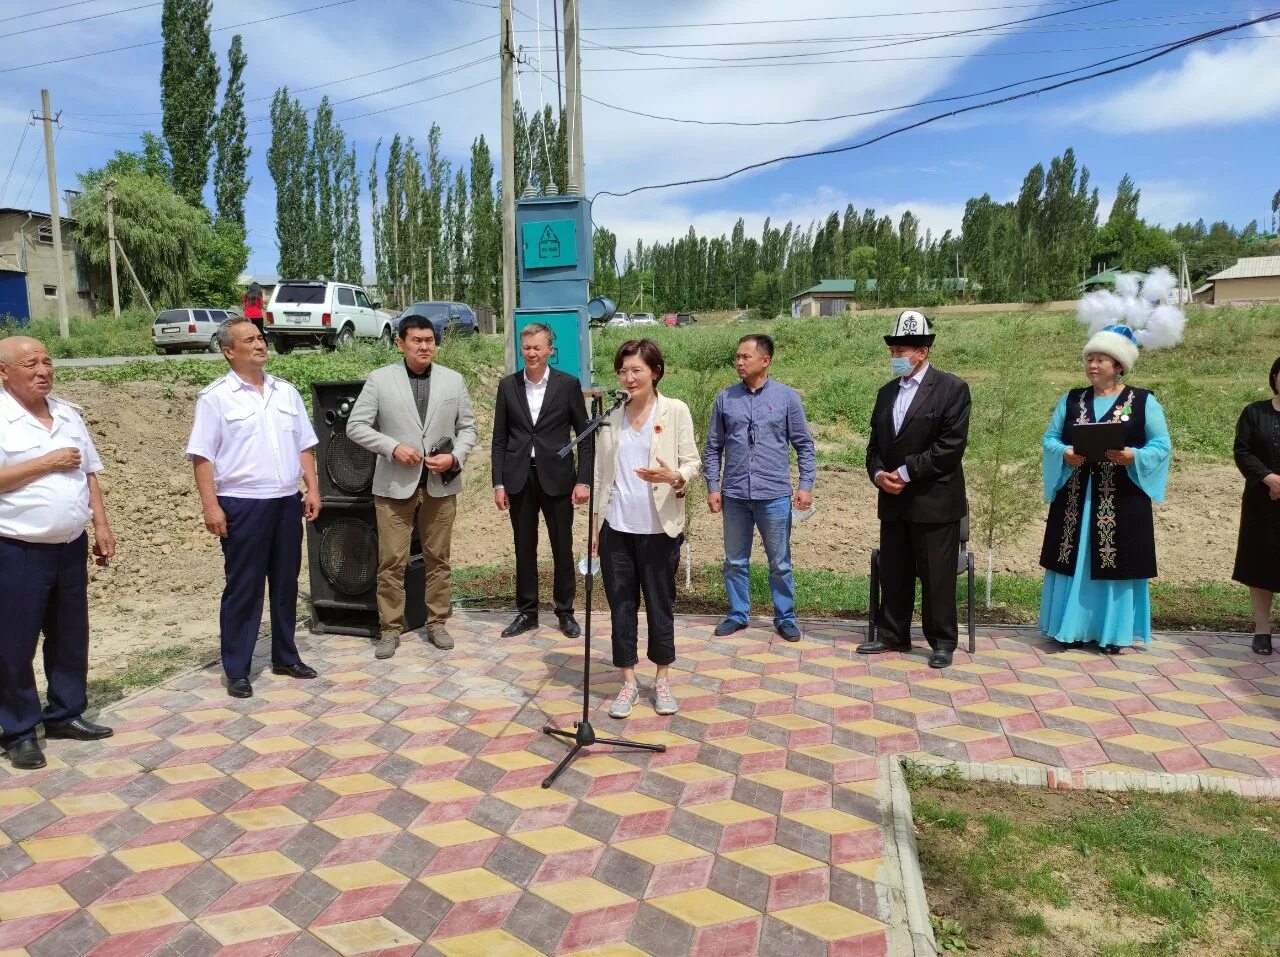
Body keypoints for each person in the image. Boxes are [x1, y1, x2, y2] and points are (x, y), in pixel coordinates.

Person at [187, 318, 322, 698]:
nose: (260, 344)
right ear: (229, 351)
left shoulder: (286, 392)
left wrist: (311, 487)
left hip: (284, 501)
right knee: (244, 587)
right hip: (242, 504)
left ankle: (285, 655)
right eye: (249, 340)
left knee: (285, 582)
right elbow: (202, 457)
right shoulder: (215, 398)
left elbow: (304, 446)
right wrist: (210, 506)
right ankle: (238, 668)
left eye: (260, 337)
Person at [0, 336, 116, 771]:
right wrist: (45, 463)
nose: (43, 370)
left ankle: (66, 713)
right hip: (16, 547)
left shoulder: (67, 414)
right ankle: (18, 730)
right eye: (31, 363)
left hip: (70, 544)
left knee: (70, 635)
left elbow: (89, 474)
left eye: (48, 362)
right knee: (13, 643)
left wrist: (100, 525)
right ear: (4, 372)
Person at [347, 316, 477, 659]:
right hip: (393, 486)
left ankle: (437, 622)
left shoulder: (453, 380)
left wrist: (456, 457)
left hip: (440, 485)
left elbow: (469, 428)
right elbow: (355, 426)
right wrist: (392, 447)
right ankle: (389, 628)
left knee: (439, 559)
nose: (424, 346)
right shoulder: (379, 380)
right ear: (400, 343)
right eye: (417, 340)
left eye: (430, 340)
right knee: (391, 561)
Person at [1038, 324, 1172, 654]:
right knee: (1074, 557)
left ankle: (1112, 632)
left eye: (1101, 360)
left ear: (1119, 366)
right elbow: (1050, 439)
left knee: (1117, 557)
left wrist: (1133, 456)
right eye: (1090, 359)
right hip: (1077, 497)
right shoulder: (1071, 400)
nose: (1093, 366)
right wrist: (1065, 453)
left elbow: (1162, 444)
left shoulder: (1143, 401)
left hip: (1121, 498)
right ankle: (1070, 628)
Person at [857, 311, 971, 670]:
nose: (895, 356)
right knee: (895, 570)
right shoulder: (885, 393)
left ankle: (941, 641)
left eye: (901, 350)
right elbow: (874, 446)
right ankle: (893, 633)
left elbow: (950, 448)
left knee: (937, 574)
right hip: (892, 500)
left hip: (933, 500)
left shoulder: (952, 389)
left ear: (922, 351)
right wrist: (878, 474)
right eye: (892, 350)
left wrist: (905, 472)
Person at [594, 339, 701, 719]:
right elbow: (601, 472)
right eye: (622, 371)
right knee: (621, 607)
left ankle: (662, 678)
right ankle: (627, 682)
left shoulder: (675, 411)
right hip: (616, 527)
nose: (628, 377)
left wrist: (673, 476)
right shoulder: (611, 414)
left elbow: (692, 462)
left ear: (655, 371)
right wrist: (594, 528)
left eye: (636, 370)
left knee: (660, 606)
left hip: (659, 527)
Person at [704, 333, 816, 641]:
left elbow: (804, 445)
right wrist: (713, 486)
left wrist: (805, 485)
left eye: (745, 357)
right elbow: (713, 447)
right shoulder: (726, 398)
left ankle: (785, 616)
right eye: (737, 357)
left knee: (779, 562)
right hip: (735, 494)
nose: (739, 362)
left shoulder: (787, 398)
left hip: (775, 495)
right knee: (734, 561)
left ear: (765, 361)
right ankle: (738, 614)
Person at [492, 323, 592, 639]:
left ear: (550, 350)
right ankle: (527, 613)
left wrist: (584, 480)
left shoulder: (567, 385)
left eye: (537, 348)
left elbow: (586, 436)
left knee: (562, 547)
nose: (531, 353)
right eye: (527, 348)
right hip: (519, 478)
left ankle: (565, 612)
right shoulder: (508, 386)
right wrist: (499, 483)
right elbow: (499, 438)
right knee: (524, 548)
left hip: (558, 479)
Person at [1231, 356, 1280, 656]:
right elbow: (1242, 451)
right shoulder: (1254, 412)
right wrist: (1269, 479)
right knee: (1262, 563)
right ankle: (1262, 629)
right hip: (1262, 501)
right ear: (1275, 377)